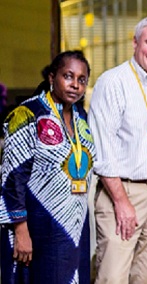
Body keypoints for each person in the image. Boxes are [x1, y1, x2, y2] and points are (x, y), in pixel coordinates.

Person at [88, 14, 147, 283]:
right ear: (135, 43)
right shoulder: (113, 82)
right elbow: (102, 150)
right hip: (122, 191)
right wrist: (121, 201)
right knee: (113, 276)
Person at [0, 50, 95, 283]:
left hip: (74, 223)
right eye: (68, 76)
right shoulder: (27, 114)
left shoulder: (80, 116)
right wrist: (21, 231)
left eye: (81, 80)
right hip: (38, 225)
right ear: (52, 78)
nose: (75, 85)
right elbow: (12, 178)